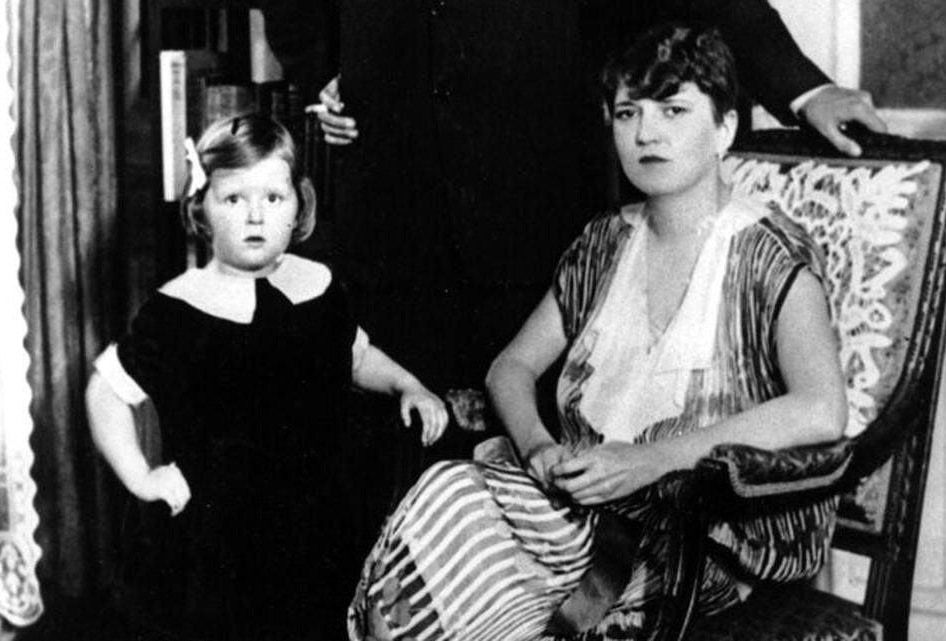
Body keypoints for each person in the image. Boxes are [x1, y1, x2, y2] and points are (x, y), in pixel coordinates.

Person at [346, 24, 848, 640]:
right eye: (628, 113)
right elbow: (511, 368)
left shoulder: (768, 253)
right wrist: (537, 447)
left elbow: (821, 409)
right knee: (444, 506)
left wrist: (650, 461)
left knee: (491, 608)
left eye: (673, 110)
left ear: (724, 129)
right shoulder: (606, 240)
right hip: (580, 513)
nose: (647, 134)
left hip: (697, 535)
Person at [258, 0, 881, 463]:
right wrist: (326, 69)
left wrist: (805, 89)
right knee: (393, 475)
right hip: (393, 211)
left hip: (533, 205)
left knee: (552, 476)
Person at [85, 113, 448, 640]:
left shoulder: (319, 285)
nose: (255, 215)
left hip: (321, 527)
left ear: (299, 204)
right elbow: (105, 391)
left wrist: (406, 384)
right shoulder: (180, 307)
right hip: (217, 545)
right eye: (234, 199)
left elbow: (355, 354)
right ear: (201, 208)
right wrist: (142, 476)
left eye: (273, 198)